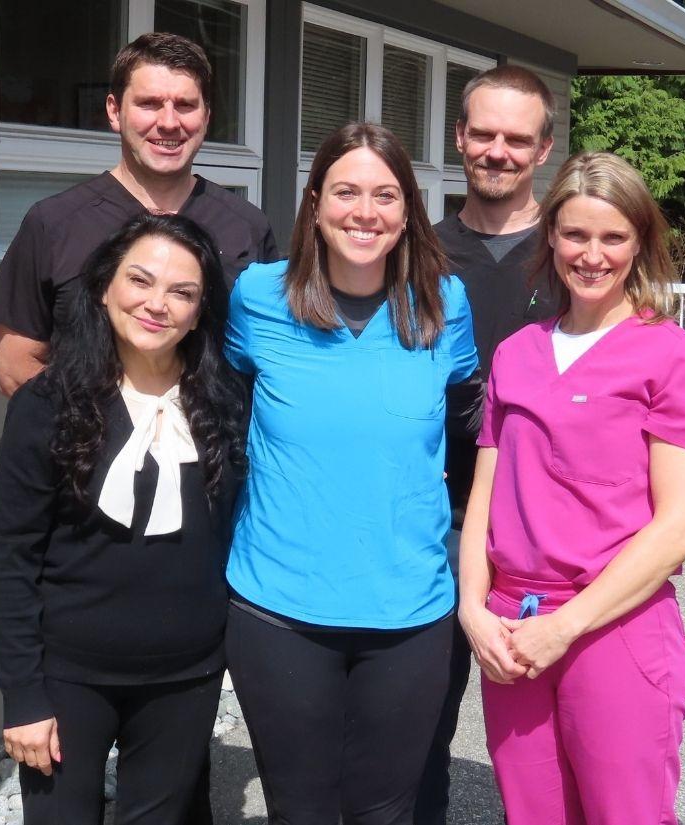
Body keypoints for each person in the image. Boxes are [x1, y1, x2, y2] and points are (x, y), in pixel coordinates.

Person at [222, 122, 478, 825]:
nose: (365, 211)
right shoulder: (258, 297)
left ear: (406, 212)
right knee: (300, 809)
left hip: (410, 612)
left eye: (385, 194)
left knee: (386, 811)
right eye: (346, 191)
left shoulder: (443, 304)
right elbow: (222, 405)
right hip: (280, 609)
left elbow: (468, 429)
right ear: (313, 202)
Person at [459, 152, 685, 824]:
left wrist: (566, 627)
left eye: (613, 237)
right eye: (575, 234)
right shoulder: (518, 351)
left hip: (612, 623)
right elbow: (485, 492)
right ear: (551, 237)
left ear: (640, 242)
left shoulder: (674, 357)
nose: (592, 254)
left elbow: (681, 525)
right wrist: (472, 608)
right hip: (513, 623)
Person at [0, 213, 247, 825]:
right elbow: (11, 556)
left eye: (182, 292)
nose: (158, 304)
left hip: (186, 675)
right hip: (68, 675)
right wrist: (23, 696)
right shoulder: (45, 404)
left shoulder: (227, 400)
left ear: (201, 308)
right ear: (105, 287)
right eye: (140, 281)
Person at [418, 63, 559, 824]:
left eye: (517, 138)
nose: (498, 150)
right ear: (460, 138)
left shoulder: (579, 254)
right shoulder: (417, 256)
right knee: (416, 733)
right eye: (484, 134)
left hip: (549, 537)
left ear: (543, 150)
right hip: (433, 523)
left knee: (545, 747)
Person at [0, 32, 278, 398]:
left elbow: (269, 355)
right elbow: (16, 366)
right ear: (114, 110)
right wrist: (89, 433)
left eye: (185, 105)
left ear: (206, 116)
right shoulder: (54, 224)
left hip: (214, 448)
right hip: (90, 449)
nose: (169, 122)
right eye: (150, 104)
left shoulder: (246, 227)